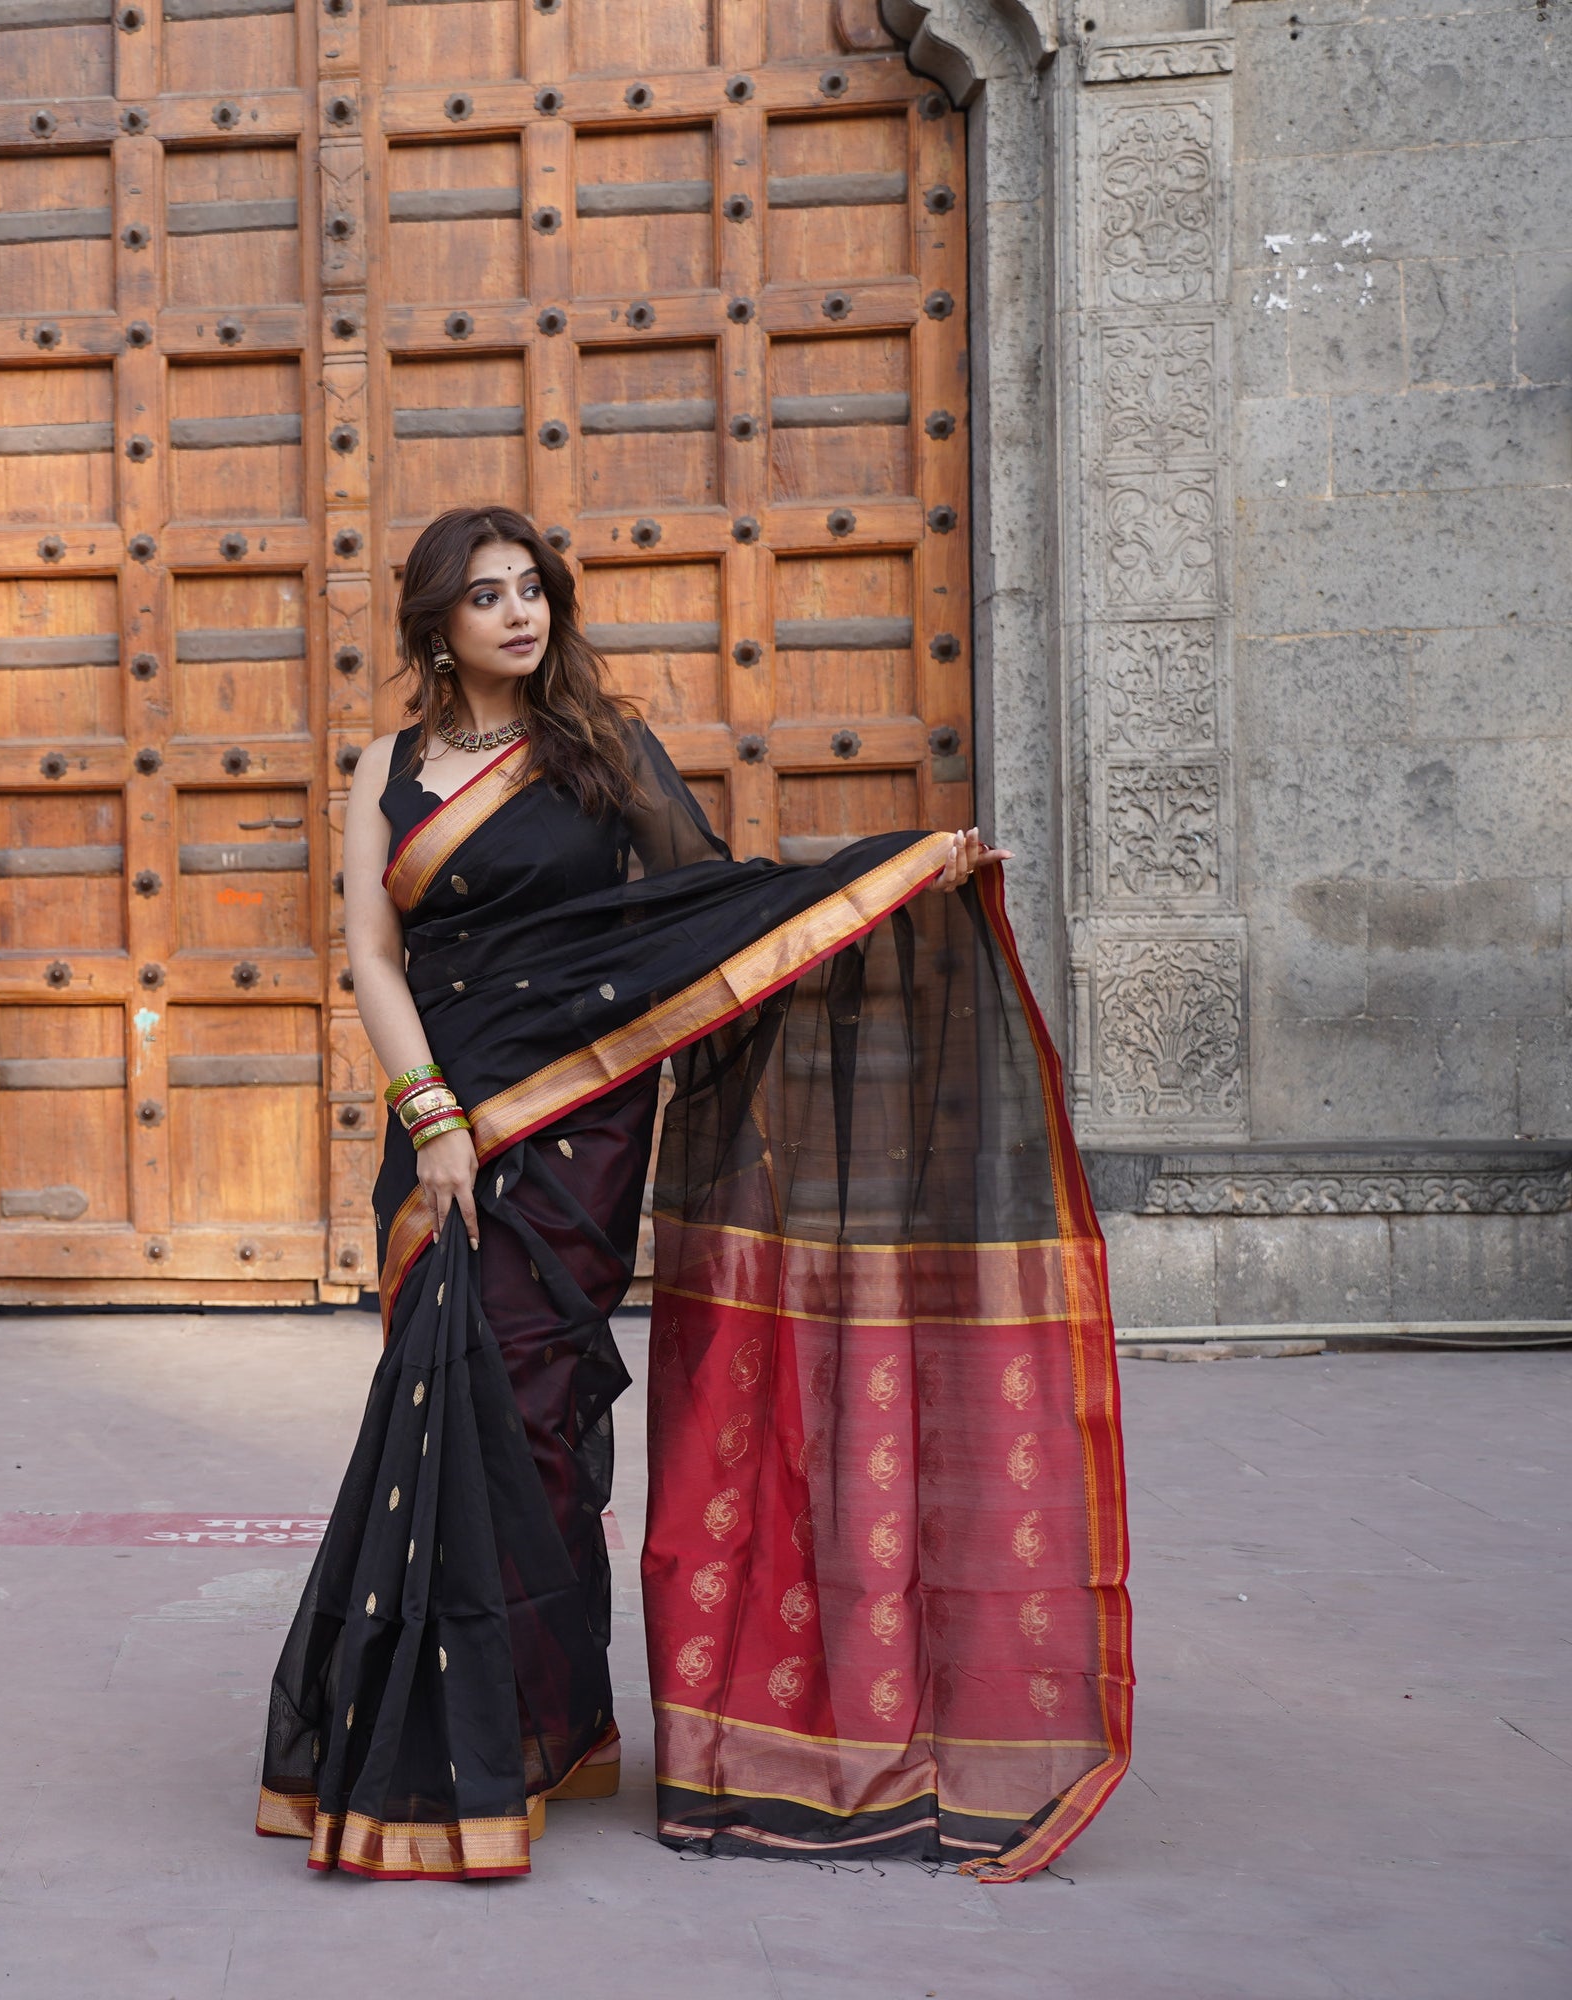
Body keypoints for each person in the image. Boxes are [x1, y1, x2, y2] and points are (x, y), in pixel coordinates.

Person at [256, 506, 1131, 1883]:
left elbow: (713, 915)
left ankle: (543, 1718)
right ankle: (504, 1726)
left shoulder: (604, 756)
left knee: (536, 1416)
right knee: (455, 1415)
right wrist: (431, 1117)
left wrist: (887, 881)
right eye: (486, 597)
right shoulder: (385, 770)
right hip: (449, 1122)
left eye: (533, 591)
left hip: (578, 1130)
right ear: (436, 624)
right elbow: (372, 954)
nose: (519, 615)